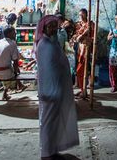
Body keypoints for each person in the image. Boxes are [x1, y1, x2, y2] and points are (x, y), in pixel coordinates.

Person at [35, 15, 79, 160]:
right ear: (44, 28)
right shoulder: (45, 45)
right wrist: (51, 91)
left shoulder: (52, 43)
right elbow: (47, 71)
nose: (53, 29)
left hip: (56, 89)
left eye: (55, 26)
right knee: (48, 122)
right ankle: (47, 153)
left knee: (53, 122)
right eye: (50, 26)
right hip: (50, 91)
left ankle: (52, 150)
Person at [70, 8, 95, 99]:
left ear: (86, 14)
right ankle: (82, 90)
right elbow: (76, 36)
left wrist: (83, 35)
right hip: (80, 49)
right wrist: (75, 37)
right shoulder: (78, 24)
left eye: (82, 14)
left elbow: (91, 36)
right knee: (80, 70)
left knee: (81, 70)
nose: (80, 16)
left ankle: (84, 90)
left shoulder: (90, 24)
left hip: (86, 50)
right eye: (80, 14)